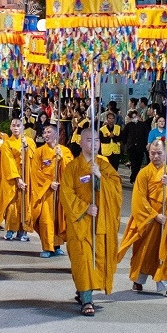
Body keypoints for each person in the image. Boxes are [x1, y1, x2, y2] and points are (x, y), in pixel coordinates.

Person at [59, 127, 122, 316]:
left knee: (97, 258)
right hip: (80, 222)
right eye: (89, 140)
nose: (93, 144)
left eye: (96, 140)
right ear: (80, 142)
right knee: (82, 259)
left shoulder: (103, 164)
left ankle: (84, 290)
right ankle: (87, 300)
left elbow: (116, 190)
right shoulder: (72, 167)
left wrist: (100, 178)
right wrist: (85, 207)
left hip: (99, 222)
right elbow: (66, 194)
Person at [118, 139, 167, 299]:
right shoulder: (144, 173)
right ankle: (138, 279)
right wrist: (155, 215)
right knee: (145, 252)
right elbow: (139, 199)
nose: (156, 156)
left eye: (159, 153)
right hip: (150, 220)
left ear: (165, 154)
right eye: (152, 153)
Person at [28, 125, 72, 258]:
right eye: (45, 132)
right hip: (46, 191)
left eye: (49, 132)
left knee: (59, 219)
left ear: (57, 134)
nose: (46, 134)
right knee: (46, 219)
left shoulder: (65, 150)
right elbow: (35, 172)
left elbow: (71, 169)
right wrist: (48, 183)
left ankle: (57, 245)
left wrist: (62, 158)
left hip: (61, 190)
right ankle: (47, 247)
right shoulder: (39, 151)